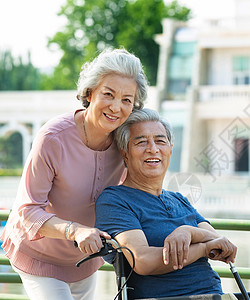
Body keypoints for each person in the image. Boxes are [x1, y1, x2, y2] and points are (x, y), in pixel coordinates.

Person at [0, 48, 149, 300]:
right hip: (38, 254)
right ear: (90, 93)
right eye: (108, 94)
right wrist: (76, 231)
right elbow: (28, 210)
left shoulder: (125, 140)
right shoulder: (53, 138)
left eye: (126, 100)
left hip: (86, 257)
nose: (116, 107)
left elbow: (136, 192)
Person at [95, 108, 238, 299]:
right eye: (141, 142)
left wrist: (187, 232)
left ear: (170, 149)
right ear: (125, 153)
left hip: (214, 295)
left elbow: (220, 245)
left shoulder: (179, 200)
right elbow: (143, 260)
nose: (153, 149)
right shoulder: (115, 200)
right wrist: (202, 248)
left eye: (160, 141)